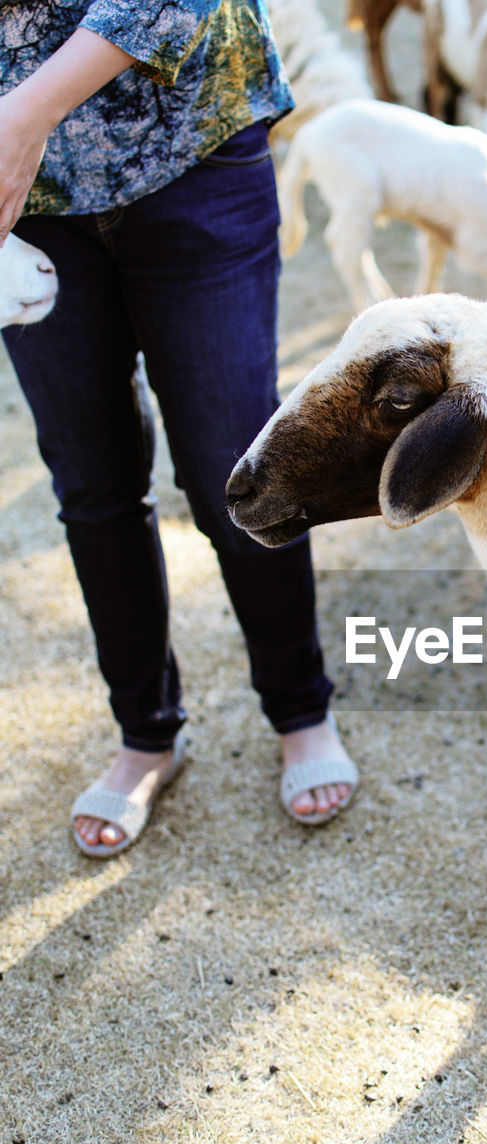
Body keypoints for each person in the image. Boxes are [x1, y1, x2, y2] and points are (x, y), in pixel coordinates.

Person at [0, 1, 358, 853]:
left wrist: (23, 113)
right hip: (25, 198)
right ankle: (146, 732)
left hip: (190, 149)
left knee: (234, 471)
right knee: (91, 481)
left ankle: (299, 708)